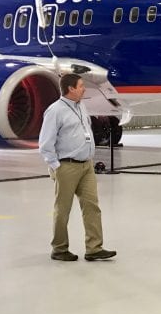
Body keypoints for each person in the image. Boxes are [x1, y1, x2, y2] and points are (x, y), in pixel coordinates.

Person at [37, 73, 116, 262]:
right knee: (63, 210)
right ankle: (59, 248)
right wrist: (56, 166)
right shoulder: (55, 111)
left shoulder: (81, 106)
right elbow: (45, 144)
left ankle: (94, 248)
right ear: (71, 88)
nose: (84, 89)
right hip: (66, 166)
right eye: (81, 85)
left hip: (86, 165)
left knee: (92, 207)